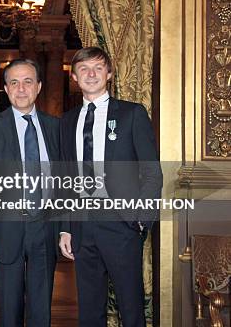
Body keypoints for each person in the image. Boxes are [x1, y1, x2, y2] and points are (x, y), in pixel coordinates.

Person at [58, 47, 162, 327]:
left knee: (131, 306)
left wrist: (141, 221)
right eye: (84, 68)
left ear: (110, 74)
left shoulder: (131, 114)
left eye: (98, 68)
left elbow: (152, 172)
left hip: (122, 224)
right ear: (75, 77)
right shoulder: (67, 121)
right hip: (82, 226)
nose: (91, 74)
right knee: (89, 309)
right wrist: (66, 227)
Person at [0, 59, 60, 327]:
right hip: (5, 229)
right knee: (9, 306)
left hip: (45, 226)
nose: (21, 89)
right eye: (14, 83)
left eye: (28, 81)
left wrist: (66, 228)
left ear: (39, 87)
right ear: (6, 90)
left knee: (41, 304)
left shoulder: (55, 128)